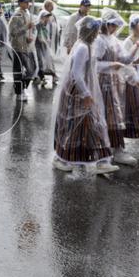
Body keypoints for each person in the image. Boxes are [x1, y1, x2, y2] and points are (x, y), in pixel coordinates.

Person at [52, 16, 117, 175]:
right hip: (77, 92)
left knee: (89, 124)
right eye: (94, 31)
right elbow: (76, 73)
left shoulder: (86, 46)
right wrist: (86, 93)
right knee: (76, 125)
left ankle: (100, 159)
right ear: (89, 31)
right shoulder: (82, 48)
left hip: (81, 90)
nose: (96, 34)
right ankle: (62, 157)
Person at [93, 8, 135, 165]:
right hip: (103, 82)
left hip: (115, 82)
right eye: (112, 25)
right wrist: (111, 65)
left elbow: (124, 58)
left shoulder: (114, 40)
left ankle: (114, 148)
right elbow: (94, 64)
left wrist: (133, 52)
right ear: (106, 24)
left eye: (116, 25)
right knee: (110, 115)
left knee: (115, 114)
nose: (115, 28)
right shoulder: (99, 40)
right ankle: (110, 149)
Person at [7, 0, 36, 101]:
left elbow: (28, 31)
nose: (28, 4)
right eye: (25, 2)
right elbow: (13, 32)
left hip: (27, 47)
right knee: (18, 70)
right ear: (20, 3)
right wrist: (26, 28)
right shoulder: (16, 15)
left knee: (32, 69)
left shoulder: (27, 13)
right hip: (18, 47)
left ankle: (22, 88)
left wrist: (29, 36)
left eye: (28, 2)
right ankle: (19, 92)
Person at [35, 10, 57, 88]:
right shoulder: (38, 25)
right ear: (42, 17)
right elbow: (38, 37)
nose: (47, 18)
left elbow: (46, 37)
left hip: (44, 47)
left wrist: (47, 41)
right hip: (38, 46)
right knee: (40, 61)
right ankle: (41, 77)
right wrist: (44, 40)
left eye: (48, 17)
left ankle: (42, 76)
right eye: (46, 17)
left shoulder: (45, 27)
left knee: (48, 62)